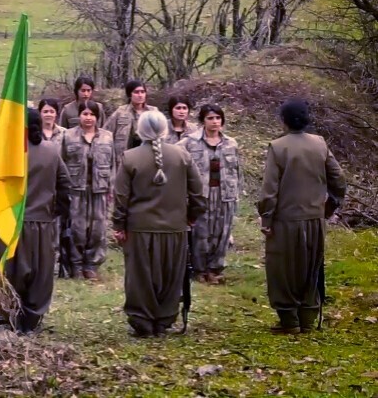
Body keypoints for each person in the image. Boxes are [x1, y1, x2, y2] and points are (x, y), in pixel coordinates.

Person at [113, 110, 207, 338]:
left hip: (139, 228)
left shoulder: (130, 157)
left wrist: (119, 225)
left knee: (140, 277)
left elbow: (121, 197)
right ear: (165, 130)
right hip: (175, 227)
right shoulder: (182, 155)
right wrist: (192, 215)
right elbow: (199, 193)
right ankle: (164, 320)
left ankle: (142, 321)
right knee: (171, 275)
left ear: (140, 130)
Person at [258, 99, 346, 335]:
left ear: (283, 120)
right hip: (314, 218)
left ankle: (289, 319)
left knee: (282, 268)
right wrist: (328, 207)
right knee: (311, 266)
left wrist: (266, 219)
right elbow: (339, 180)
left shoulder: (278, 147)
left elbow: (269, 190)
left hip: (285, 220)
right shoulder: (319, 143)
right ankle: (308, 317)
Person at [0, 108, 72, 333]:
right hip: (42, 222)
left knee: (10, 272)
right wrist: (55, 211)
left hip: (9, 223)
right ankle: (32, 321)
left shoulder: (7, 153)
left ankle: (11, 319)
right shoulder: (51, 151)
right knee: (41, 273)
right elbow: (65, 184)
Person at [177, 104, 243, 284]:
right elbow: (175, 161)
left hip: (225, 194)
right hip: (201, 195)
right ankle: (199, 269)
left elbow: (237, 171)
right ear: (203, 121)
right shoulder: (189, 142)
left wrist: (237, 192)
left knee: (222, 232)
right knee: (201, 232)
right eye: (210, 118)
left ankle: (215, 269)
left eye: (218, 118)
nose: (215, 122)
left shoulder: (231, 143)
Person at [60, 101, 114, 280]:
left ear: (97, 117)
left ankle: (91, 265)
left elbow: (113, 165)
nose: (88, 118)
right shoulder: (68, 136)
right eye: (85, 114)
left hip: (100, 190)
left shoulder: (107, 137)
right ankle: (76, 265)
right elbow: (61, 163)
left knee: (98, 229)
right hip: (76, 189)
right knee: (77, 229)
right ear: (79, 116)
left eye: (92, 114)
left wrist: (111, 188)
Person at [104, 80, 158, 171]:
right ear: (130, 94)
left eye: (142, 92)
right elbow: (106, 133)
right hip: (124, 156)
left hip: (148, 156)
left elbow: (162, 134)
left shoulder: (153, 111)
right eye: (136, 92)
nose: (140, 95)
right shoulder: (121, 112)